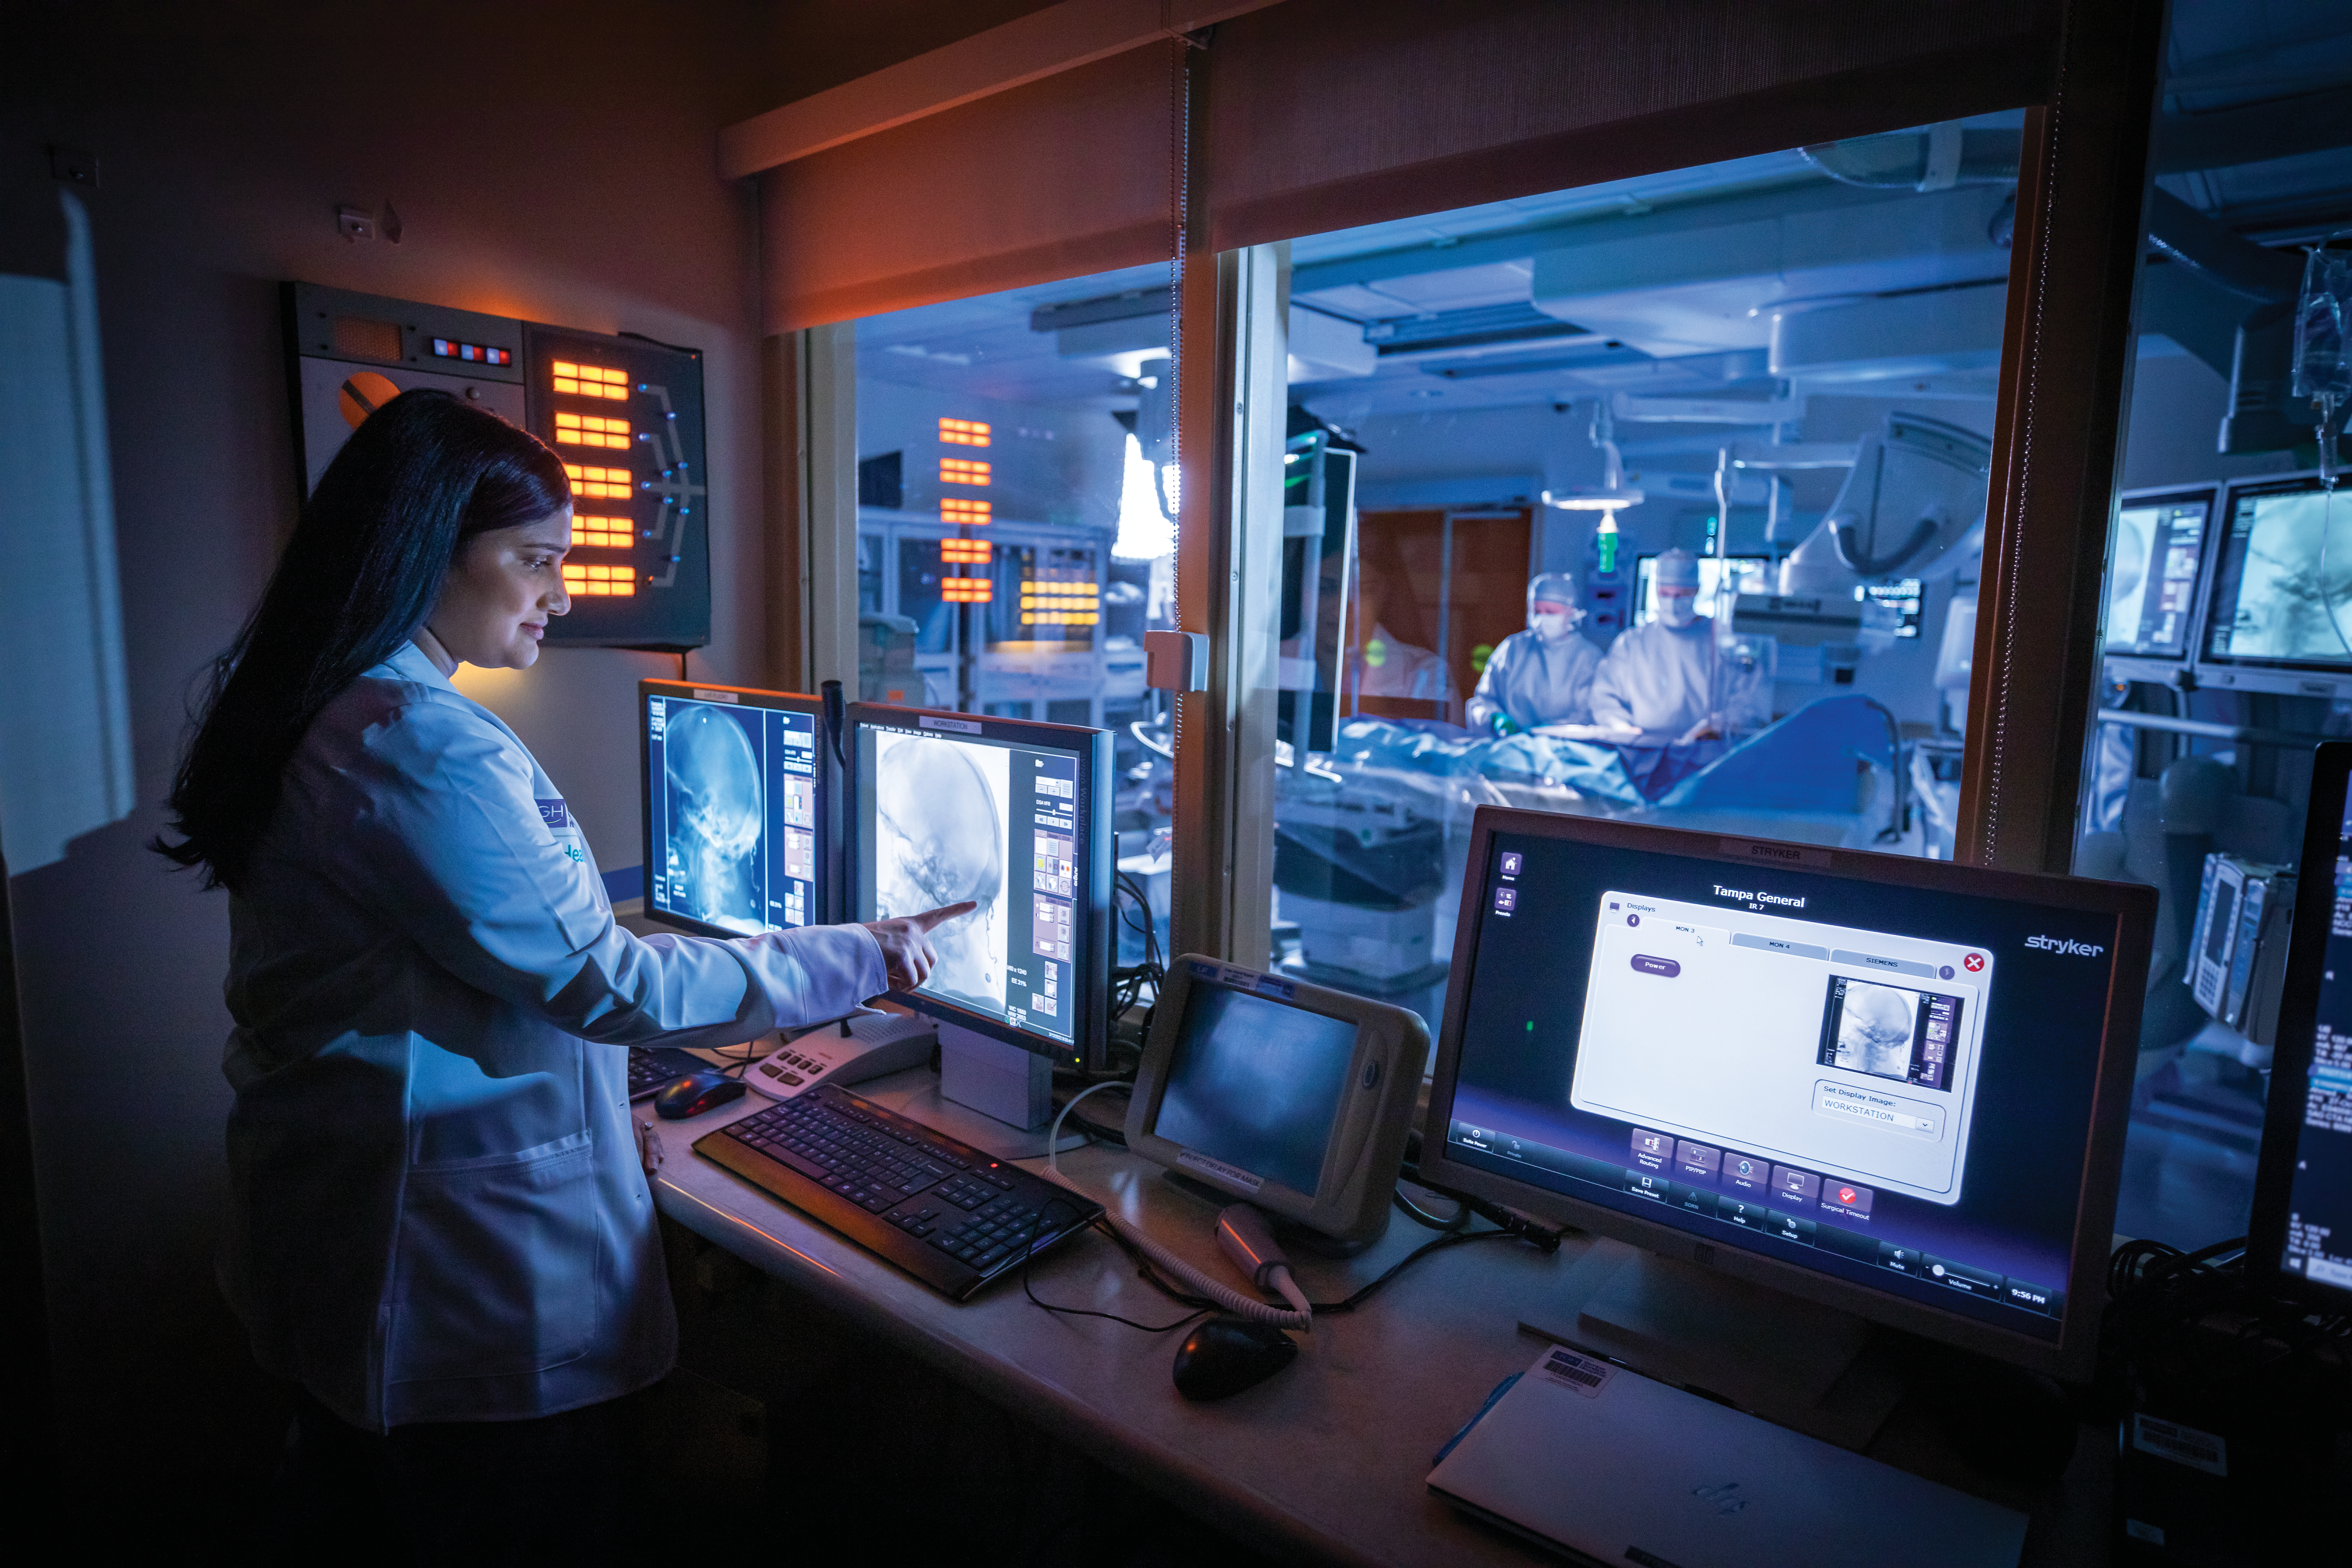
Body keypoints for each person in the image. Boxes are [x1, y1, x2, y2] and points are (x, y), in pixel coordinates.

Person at [153, 390, 965, 1555]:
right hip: (446, 1294)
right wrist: (870, 953)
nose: (562, 594)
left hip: (352, 1237)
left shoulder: (341, 710)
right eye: (535, 560)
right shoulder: (413, 746)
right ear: (431, 553)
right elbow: (608, 986)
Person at [1588, 547, 1763, 743]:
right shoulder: (1631, 643)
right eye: (1666, 593)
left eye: (1681, 594)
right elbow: (1604, 697)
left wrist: (1720, 725)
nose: (1672, 601)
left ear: (1697, 590)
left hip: (1705, 750)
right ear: (1656, 590)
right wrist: (1621, 727)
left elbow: (1749, 698)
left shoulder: (1723, 638)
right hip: (1643, 749)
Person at [1465, 571, 1601, 736]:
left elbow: (1590, 716)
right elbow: (1483, 701)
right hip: (1510, 746)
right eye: (1537, 611)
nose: (1542, 618)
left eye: (1551, 612)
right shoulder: (1513, 649)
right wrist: (1495, 718)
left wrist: (1544, 733)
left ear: (1571, 612)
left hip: (1564, 752)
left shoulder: (1588, 658)